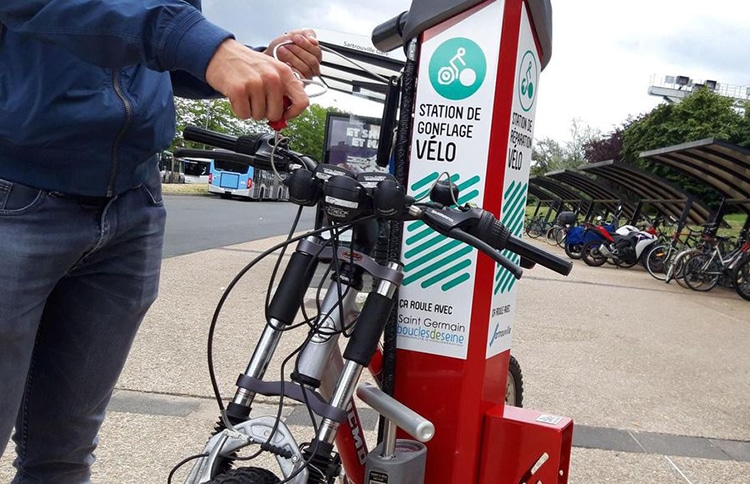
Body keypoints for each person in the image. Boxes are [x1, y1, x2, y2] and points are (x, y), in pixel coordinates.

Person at [0, 1, 321, 482]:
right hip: (15, 190)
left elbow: (151, 55)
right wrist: (211, 47)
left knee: (64, 453)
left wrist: (253, 60)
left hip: (132, 204)